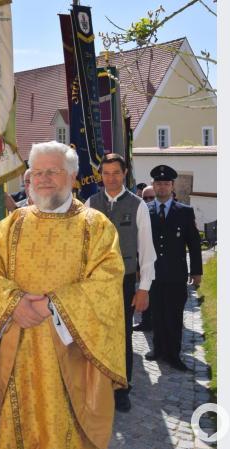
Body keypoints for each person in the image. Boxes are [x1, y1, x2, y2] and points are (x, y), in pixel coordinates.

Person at [0, 141, 126, 449]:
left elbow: (107, 281)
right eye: (37, 172)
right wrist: (13, 303)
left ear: (72, 176)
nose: (42, 179)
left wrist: (53, 304)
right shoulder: (9, 226)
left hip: (72, 353)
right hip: (17, 350)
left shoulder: (97, 227)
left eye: (53, 171)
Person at [84, 153, 156, 412]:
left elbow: (146, 251)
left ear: (124, 174)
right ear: (100, 175)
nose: (111, 178)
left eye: (116, 172)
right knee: (96, 334)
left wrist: (144, 288)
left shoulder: (138, 205)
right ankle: (98, 385)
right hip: (95, 282)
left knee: (122, 335)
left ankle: (122, 387)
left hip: (124, 281)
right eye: (106, 173)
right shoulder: (90, 203)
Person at [145, 164, 203, 371]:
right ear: (153, 185)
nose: (162, 187)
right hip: (153, 274)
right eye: (158, 183)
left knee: (174, 316)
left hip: (176, 274)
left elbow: (194, 244)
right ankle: (158, 349)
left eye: (166, 183)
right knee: (157, 314)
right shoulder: (145, 211)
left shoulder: (184, 212)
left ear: (172, 186)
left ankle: (173, 354)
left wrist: (196, 271)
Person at [134, 185, 158, 332]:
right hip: (145, 263)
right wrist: (138, 268)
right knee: (145, 291)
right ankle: (146, 322)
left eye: (151, 197)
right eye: (145, 198)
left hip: (162, 263)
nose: (148, 200)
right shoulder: (140, 212)